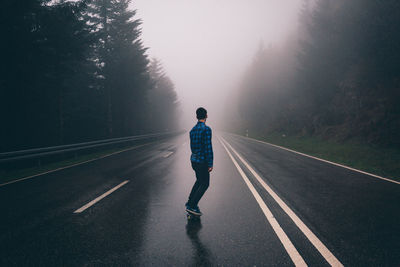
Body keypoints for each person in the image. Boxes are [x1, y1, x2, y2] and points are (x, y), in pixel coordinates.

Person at [186, 107, 213, 216]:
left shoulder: (192, 130)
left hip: (194, 160)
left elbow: (192, 147)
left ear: (197, 116)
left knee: (199, 181)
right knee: (205, 183)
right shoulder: (206, 129)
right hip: (202, 161)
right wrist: (210, 163)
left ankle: (190, 202)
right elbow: (208, 148)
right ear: (206, 115)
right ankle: (192, 206)